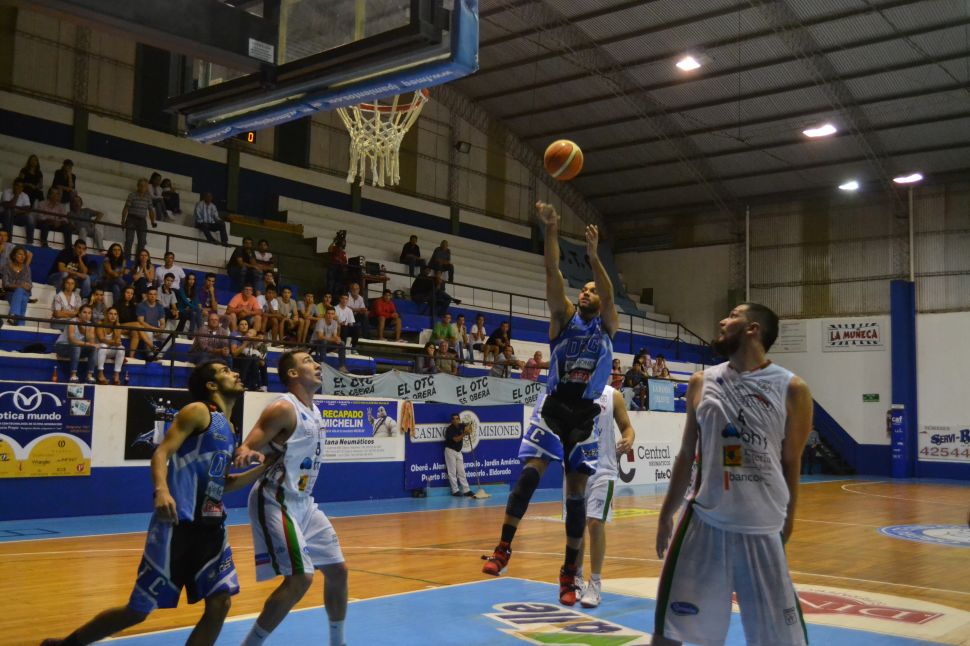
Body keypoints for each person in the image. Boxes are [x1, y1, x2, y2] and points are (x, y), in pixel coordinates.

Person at [41, 361, 273, 646]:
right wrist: (161, 490)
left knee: (220, 602)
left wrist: (266, 466)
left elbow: (222, 484)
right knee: (137, 611)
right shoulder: (198, 412)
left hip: (211, 527)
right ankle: (68, 644)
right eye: (225, 371)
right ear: (211, 385)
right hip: (177, 526)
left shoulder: (230, 427)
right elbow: (161, 453)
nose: (236, 373)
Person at [482, 202, 618, 609]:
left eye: (591, 289)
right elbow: (551, 270)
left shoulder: (608, 325)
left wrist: (594, 258)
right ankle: (503, 548)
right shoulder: (563, 317)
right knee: (529, 475)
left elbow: (609, 293)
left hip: (585, 412)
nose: (586, 291)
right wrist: (553, 229)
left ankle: (567, 572)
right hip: (554, 404)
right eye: (584, 289)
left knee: (576, 495)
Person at [652, 303, 812, 646]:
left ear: (752, 329)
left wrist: (789, 519)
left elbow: (792, 461)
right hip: (704, 522)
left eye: (733, 315)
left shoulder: (792, 388)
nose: (723, 320)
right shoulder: (701, 382)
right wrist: (666, 513)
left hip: (762, 527)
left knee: (783, 641)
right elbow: (686, 455)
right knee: (670, 633)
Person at [233, 351, 349, 646]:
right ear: (293, 374)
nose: (317, 364)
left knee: (338, 571)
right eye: (308, 361)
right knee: (300, 578)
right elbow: (247, 445)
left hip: (304, 502)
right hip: (275, 498)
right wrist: (247, 452)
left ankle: (338, 643)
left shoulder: (315, 410)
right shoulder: (283, 408)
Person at [573, 386, 635, 608]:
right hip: (576, 467)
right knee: (576, 526)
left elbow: (627, 427)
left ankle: (595, 583)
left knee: (595, 523)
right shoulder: (571, 390)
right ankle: (576, 578)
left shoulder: (612, 395)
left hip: (604, 469)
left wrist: (629, 439)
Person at [54, 303, 97, 382]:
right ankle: (73, 375)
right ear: (79, 314)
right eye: (84, 312)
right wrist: (88, 344)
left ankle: (89, 376)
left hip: (78, 348)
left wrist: (86, 331)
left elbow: (91, 341)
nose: (87, 315)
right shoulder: (72, 321)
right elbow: (72, 340)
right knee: (76, 347)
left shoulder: (90, 325)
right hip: (63, 346)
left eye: (89, 313)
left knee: (93, 349)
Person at [122, 178, 158, 260]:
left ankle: (139, 260)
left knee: (142, 242)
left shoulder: (148, 197)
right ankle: (127, 259)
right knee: (129, 240)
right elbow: (126, 208)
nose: (142, 188)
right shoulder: (132, 195)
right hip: (131, 219)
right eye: (141, 186)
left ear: (147, 187)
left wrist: (152, 221)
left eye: (144, 186)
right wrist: (123, 221)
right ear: (137, 186)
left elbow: (151, 210)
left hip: (142, 220)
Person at [94, 306, 126, 384]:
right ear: (106, 315)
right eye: (110, 314)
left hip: (109, 350)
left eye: (115, 314)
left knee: (121, 348)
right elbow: (101, 339)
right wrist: (114, 343)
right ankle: (100, 374)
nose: (113, 316)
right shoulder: (100, 324)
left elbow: (118, 341)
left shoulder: (117, 325)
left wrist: (116, 342)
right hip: (98, 350)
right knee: (103, 346)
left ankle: (116, 375)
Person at [444, 413, 474, 497]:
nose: (455, 420)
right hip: (450, 451)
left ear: (459, 419)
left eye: (457, 418)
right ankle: (455, 491)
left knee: (462, 471)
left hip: (458, 451)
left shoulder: (461, 425)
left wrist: (468, 429)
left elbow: (469, 430)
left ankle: (466, 490)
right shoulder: (449, 429)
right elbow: (456, 439)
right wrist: (464, 434)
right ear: (451, 420)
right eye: (453, 419)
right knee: (452, 472)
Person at [2, 245, 31, 326]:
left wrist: (27, 286)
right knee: (23, 298)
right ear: (14, 256)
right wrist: (20, 286)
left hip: (25, 292)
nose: (22, 257)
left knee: (20, 291)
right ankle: (21, 324)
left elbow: (30, 284)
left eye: (24, 255)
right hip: (10, 293)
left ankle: (12, 315)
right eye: (20, 254)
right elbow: (5, 284)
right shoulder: (6, 267)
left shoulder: (27, 268)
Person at [135, 287, 168, 359]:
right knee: (149, 333)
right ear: (147, 295)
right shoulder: (141, 306)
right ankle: (150, 354)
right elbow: (141, 322)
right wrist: (154, 329)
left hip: (156, 330)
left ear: (157, 295)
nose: (153, 296)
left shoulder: (160, 306)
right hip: (145, 329)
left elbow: (162, 323)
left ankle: (159, 354)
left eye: (155, 294)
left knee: (170, 336)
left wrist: (161, 330)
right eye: (151, 294)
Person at [313, 306, 347, 372]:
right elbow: (320, 336)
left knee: (342, 343)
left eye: (332, 314)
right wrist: (333, 339)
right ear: (325, 314)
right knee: (324, 341)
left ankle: (342, 366)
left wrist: (337, 339)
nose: (330, 315)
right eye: (328, 313)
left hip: (326, 344)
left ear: (334, 315)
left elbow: (334, 336)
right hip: (316, 344)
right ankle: (323, 364)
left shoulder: (334, 323)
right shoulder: (320, 322)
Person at [1, 178, 34, 244]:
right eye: (17, 185)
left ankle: (30, 242)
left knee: (29, 218)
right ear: (13, 185)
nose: (19, 188)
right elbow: (9, 206)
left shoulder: (25, 195)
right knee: (8, 212)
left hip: (17, 217)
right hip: (4, 216)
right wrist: (16, 195)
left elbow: (28, 209)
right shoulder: (7, 192)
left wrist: (16, 212)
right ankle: (8, 240)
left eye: (21, 186)